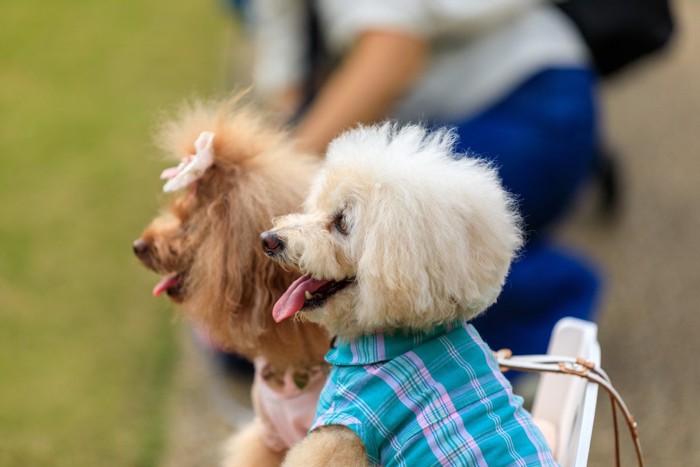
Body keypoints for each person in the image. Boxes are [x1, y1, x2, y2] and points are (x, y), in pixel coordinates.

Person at [234, 0, 601, 357]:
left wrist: (281, 175)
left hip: (528, 100)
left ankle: (550, 295)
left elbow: (392, 53)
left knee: (409, 261)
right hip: (434, 114)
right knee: (253, 317)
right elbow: (289, 84)